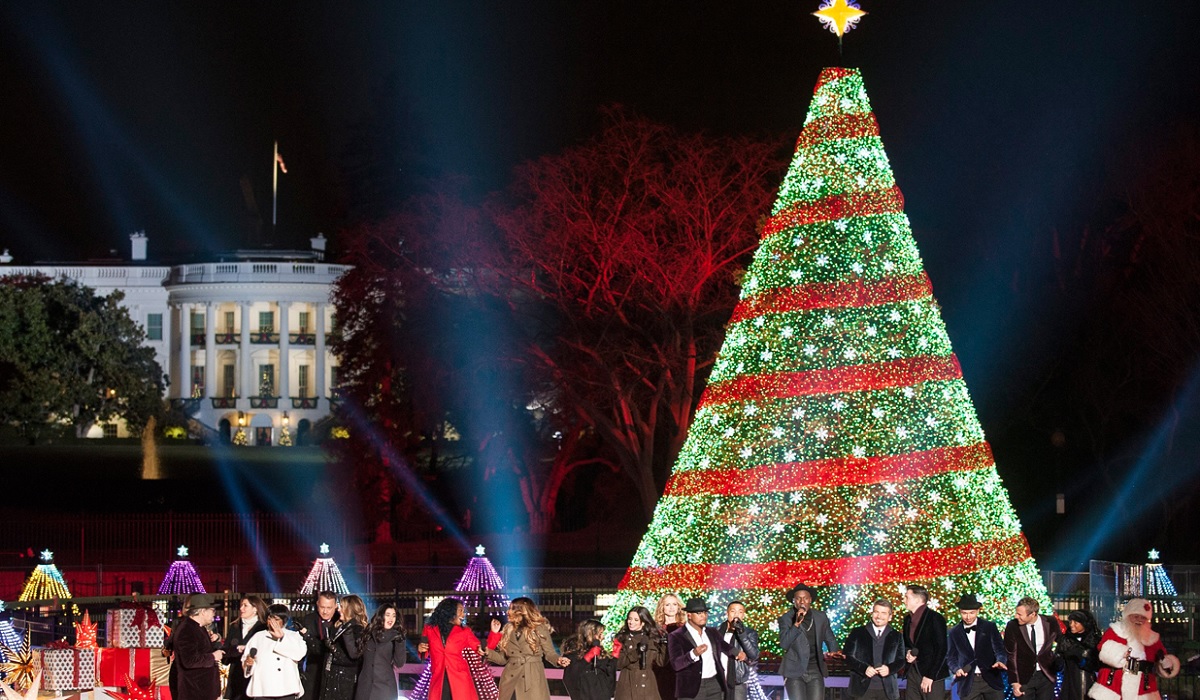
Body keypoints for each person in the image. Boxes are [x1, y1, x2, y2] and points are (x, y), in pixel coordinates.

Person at [1088, 598, 1180, 700]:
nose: (1139, 620)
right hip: (1114, 685)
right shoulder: (1115, 631)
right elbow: (1102, 649)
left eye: (1143, 618)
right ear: (1128, 616)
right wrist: (1120, 653)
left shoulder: (1152, 638)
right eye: (1136, 616)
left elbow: (1161, 658)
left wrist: (1166, 663)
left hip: (1143, 688)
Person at [484, 597, 570, 700]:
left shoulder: (539, 629)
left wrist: (558, 659)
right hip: (510, 680)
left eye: (511, 608)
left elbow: (550, 653)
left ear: (522, 611)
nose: (508, 612)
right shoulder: (508, 629)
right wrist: (487, 652)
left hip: (532, 679)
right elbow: (503, 659)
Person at [777, 584, 840, 700]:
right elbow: (784, 643)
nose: (802, 602)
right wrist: (796, 624)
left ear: (810, 600)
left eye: (805, 598)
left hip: (815, 669)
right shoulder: (786, 618)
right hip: (794, 670)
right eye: (798, 598)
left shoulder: (820, 617)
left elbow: (829, 637)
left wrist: (834, 651)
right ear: (794, 601)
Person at [945, 594, 1007, 700]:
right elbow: (951, 657)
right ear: (959, 612)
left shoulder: (989, 627)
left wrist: (1000, 661)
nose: (968, 617)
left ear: (978, 611)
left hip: (991, 679)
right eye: (964, 613)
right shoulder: (954, 632)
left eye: (972, 613)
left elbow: (1000, 649)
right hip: (968, 682)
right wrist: (956, 669)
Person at [417, 598, 480, 700]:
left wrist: (494, 635)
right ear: (450, 611)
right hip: (438, 679)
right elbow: (424, 654)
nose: (463, 614)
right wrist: (420, 649)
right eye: (460, 610)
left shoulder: (465, 631)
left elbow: (480, 649)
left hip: (460, 680)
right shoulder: (429, 629)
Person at [667, 598, 730, 700]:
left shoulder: (712, 632)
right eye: (699, 613)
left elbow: (725, 646)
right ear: (689, 615)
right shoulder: (676, 636)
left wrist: (739, 653)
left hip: (714, 685)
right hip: (691, 688)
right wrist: (693, 654)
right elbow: (676, 664)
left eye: (705, 612)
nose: (703, 616)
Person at [842, 599, 904, 700]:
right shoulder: (857, 632)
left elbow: (901, 660)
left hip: (888, 690)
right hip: (862, 689)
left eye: (883, 613)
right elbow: (847, 656)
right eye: (876, 612)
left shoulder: (897, 636)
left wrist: (889, 669)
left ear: (890, 617)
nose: (879, 616)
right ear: (872, 613)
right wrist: (864, 668)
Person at [243, 604, 306, 700]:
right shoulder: (258, 637)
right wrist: (249, 664)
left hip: (287, 689)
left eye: (276, 619)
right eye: (270, 619)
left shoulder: (293, 636)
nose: (272, 622)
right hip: (263, 689)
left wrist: (282, 638)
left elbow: (299, 654)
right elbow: (248, 660)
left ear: (284, 620)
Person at [1003, 596, 1060, 700]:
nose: (1016, 616)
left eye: (1020, 614)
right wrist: (1015, 682)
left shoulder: (1051, 621)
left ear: (1033, 614)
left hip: (1046, 675)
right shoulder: (1012, 626)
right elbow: (1011, 655)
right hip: (1024, 678)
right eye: (1016, 613)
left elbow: (1061, 642)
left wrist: (1057, 661)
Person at [901, 585, 948, 700]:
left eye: (907, 597)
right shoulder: (907, 619)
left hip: (932, 675)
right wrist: (908, 652)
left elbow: (942, 649)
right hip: (912, 673)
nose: (903, 600)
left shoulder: (935, 618)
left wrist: (930, 676)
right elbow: (906, 644)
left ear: (917, 600)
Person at [175, 593, 225, 700]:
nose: (214, 613)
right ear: (203, 611)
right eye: (212, 610)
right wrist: (213, 657)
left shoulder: (198, 628)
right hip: (194, 692)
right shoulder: (187, 629)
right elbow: (189, 661)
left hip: (203, 692)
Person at [354, 603, 407, 700]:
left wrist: (400, 641)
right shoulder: (368, 634)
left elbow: (399, 663)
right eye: (388, 615)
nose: (391, 619)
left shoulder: (396, 637)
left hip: (385, 686)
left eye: (394, 616)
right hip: (365, 686)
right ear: (380, 616)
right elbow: (355, 654)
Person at [319, 595, 367, 700]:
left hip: (345, 681)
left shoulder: (357, 629)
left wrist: (334, 649)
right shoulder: (339, 626)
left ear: (349, 609)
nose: (338, 609)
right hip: (332, 677)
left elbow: (355, 656)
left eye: (341, 607)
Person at [614, 606, 666, 700]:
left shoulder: (651, 639)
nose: (631, 622)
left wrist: (664, 645)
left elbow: (661, 662)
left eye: (636, 620)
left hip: (647, 684)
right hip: (628, 684)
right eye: (629, 619)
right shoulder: (622, 638)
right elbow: (618, 663)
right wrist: (636, 652)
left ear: (643, 622)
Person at [224, 596, 270, 700]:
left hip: (256, 675)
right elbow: (226, 650)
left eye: (245, 605)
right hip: (236, 675)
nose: (241, 608)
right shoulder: (234, 626)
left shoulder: (263, 628)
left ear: (255, 609)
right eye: (241, 605)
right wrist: (236, 650)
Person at [561, 618, 616, 700]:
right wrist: (587, 658)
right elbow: (570, 677)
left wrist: (614, 658)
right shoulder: (573, 654)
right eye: (600, 634)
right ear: (590, 634)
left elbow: (610, 678)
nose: (603, 637)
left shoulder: (602, 654)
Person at [300, 592, 341, 695]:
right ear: (317, 604)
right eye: (322, 607)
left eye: (329, 608)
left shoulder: (341, 620)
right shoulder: (308, 620)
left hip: (336, 672)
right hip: (313, 671)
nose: (325, 611)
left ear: (336, 606)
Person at [716, 601, 759, 700]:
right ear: (727, 613)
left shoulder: (749, 633)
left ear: (743, 615)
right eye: (733, 611)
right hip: (717, 681)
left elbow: (754, 655)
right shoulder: (716, 631)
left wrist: (742, 633)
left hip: (737, 681)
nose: (736, 615)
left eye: (740, 612)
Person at [1058, 610, 1101, 700]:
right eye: (1070, 622)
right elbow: (1058, 665)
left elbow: (1097, 664)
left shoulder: (1094, 640)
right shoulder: (1066, 640)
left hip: (1090, 682)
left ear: (1084, 623)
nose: (1071, 625)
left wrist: (1083, 660)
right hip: (1070, 683)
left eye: (1076, 622)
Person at [655, 594, 686, 700]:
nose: (671, 607)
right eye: (667, 605)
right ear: (662, 607)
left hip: (681, 671)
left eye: (674, 604)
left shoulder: (686, 628)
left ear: (679, 607)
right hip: (662, 672)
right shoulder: (656, 629)